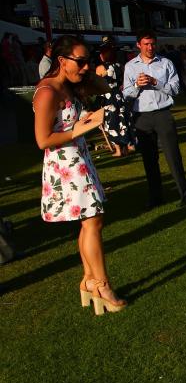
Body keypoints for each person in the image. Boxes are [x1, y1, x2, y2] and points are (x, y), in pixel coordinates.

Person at [34, 35, 125, 314]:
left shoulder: (70, 85)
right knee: (93, 220)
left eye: (89, 60)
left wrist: (85, 75)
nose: (86, 67)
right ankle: (102, 283)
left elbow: (106, 86)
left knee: (90, 222)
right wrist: (82, 128)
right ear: (61, 61)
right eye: (81, 61)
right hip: (65, 162)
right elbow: (43, 140)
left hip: (79, 158)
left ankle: (89, 280)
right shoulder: (48, 91)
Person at [123, 31, 186, 209]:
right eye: (146, 44)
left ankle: (185, 193)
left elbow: (176, 89)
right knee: (149, 159)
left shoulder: (165, 63)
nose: (150, 47)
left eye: (152, 44)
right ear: (139, 45)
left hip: (163, 113)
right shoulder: (130, 66)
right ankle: (156, 196)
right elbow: (126, 94)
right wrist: (136, 86)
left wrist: (156, 82)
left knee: (172, 155)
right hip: (142, 116)